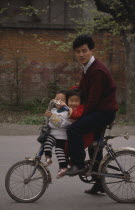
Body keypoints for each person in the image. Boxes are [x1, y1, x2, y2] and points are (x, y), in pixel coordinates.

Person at [65, 34, 118, 194]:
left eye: (84, 51)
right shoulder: (88, 68)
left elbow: (92, 101)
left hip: (103, 111)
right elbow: (81, 91)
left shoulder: (97, 71)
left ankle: (79, 165)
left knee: (73, 130)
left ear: (91, 50)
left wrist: (76, 115)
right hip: (100, 110)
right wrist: (63, 96)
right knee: (95, 147)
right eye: (77, 51)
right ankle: (100, 184)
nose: (81, 54)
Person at [44, 90, 71, 178]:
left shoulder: (67, 113)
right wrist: (48, 117)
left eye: (62, 100)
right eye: (57, 99)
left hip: (62, 136)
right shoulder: (53, 110)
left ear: (66, 102)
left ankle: (63, 167)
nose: (59, 101)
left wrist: (51, 116)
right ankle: (48, 158)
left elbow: (61, 124)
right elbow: (49, 123)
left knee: (59, 151)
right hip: (52, 133)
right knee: (47, 143)